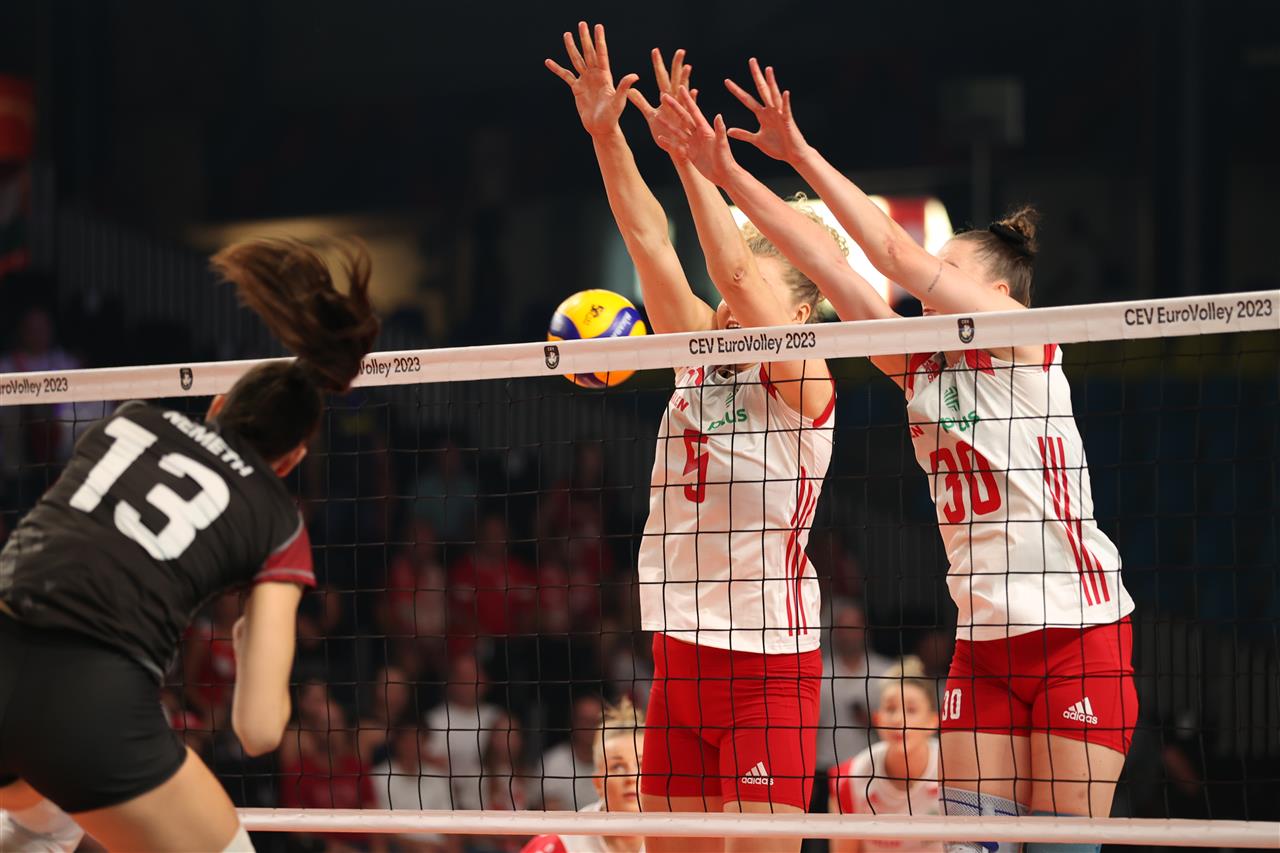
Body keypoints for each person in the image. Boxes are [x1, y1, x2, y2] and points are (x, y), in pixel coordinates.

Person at [674, 59, 1137, 853]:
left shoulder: (1023, 343)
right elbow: (826, 265)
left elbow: (888, 250)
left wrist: (799, 152)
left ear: (995, 296)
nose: (929, 285)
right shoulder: (918, 366)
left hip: (1077, 635)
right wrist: (727, 174)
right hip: (983, 647)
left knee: (1063, 848)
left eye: (946, 271)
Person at [547, 24, 848, 853]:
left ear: (796, 316)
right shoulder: (696, 352)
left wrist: (691, 159)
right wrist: (607, 134)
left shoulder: (805, 381)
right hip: (678, 656)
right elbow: (649, 240)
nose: (723, 295)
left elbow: (736, 272)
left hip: (767, 668)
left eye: (746, 288)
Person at [0, 237, 380, 852]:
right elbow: (259, 731)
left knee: (40, 821)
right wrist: (247, 639)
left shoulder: (127, 420)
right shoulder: (278, 519)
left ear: (217, 404)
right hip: (89, 697)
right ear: (291, 460)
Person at [828, 657, 942, 853]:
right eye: (890, 709)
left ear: (933, 721)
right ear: (877, 719)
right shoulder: (850, 778)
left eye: (911, 710)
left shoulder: (953, 769)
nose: (898, 719)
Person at [522, 699, 646, 853]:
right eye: (618, 766)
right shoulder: (559, 844)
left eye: (642, 764)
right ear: (598, 783)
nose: (632, 777)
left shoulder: (673, 832)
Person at [817, 598, 893, 774]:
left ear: (865, 630)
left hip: (872, 768)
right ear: (835, 633)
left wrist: (872, 721)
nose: (849, 634)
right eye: (843, 628)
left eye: (854, 627)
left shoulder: (886, 672)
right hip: (826, 768)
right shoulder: (820, 673)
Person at [539, 694, 606, 811]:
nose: (590, 727)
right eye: (584, 721)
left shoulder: (614, 763)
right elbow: (551, 813)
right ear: (573, 722)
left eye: (596, 721)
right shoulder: (554, 763)